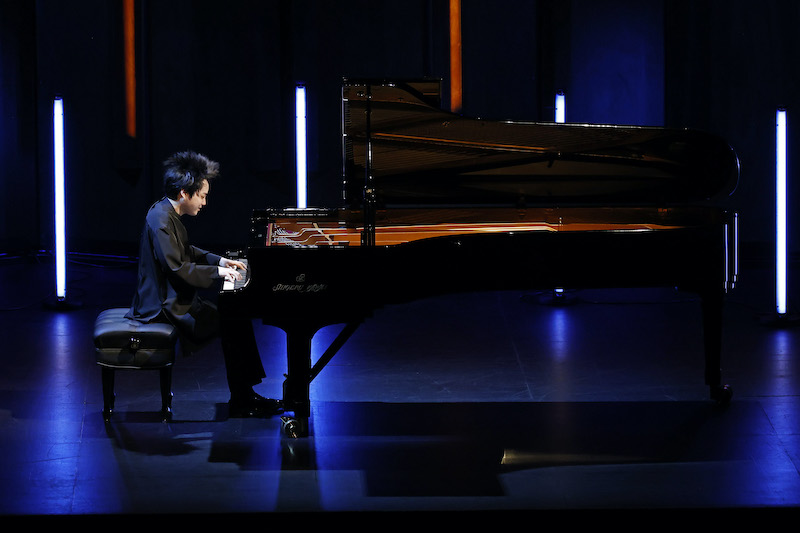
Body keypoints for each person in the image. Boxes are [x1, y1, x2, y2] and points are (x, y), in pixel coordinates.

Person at [126, 150, 279, 417]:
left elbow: (187, 250)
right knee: (233, 320)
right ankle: (243, 398)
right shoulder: (161, 220)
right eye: (203, 196)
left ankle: (245, 395)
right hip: (161, 307)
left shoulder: (166, 212)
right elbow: (177, 268)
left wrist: (221, 262)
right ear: (185, 193)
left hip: (171, 297)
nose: (205, 203)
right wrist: (219, 274)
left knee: (235, 317)